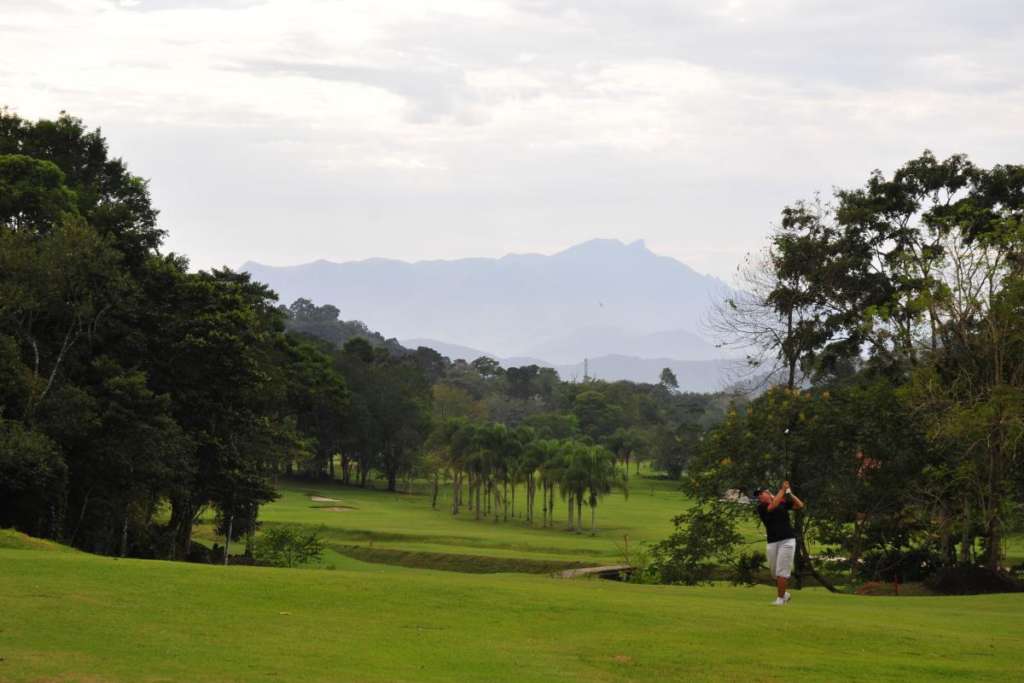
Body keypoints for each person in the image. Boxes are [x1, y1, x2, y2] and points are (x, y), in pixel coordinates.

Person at [753, 481, 805, 605]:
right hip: (772, 542)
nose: (760, 496)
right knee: (774, 573)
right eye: (758, 495)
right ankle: (785, 594)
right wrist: (782, 490)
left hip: (787, 541)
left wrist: (789, 493)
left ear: (768, 493)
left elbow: (800, 505)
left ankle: (780, 599)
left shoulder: (782, 504)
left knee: (782, 571)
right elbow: (773, 505)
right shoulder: (761, 508)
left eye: (762, 493)